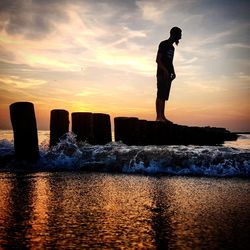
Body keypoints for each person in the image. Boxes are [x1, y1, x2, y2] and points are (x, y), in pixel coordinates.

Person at [156, 26, 182, 123]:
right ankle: (158, 117)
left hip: (168, 76)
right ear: (174, 34)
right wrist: (165, 71)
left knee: (164, 96)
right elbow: (158, 60)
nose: (180, 37)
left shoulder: (172, 48)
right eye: (179, 35)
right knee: (160, 95)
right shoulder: (163, 44)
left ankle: (163, 116)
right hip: (161, 74)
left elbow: (170, 62)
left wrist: (173, 72)